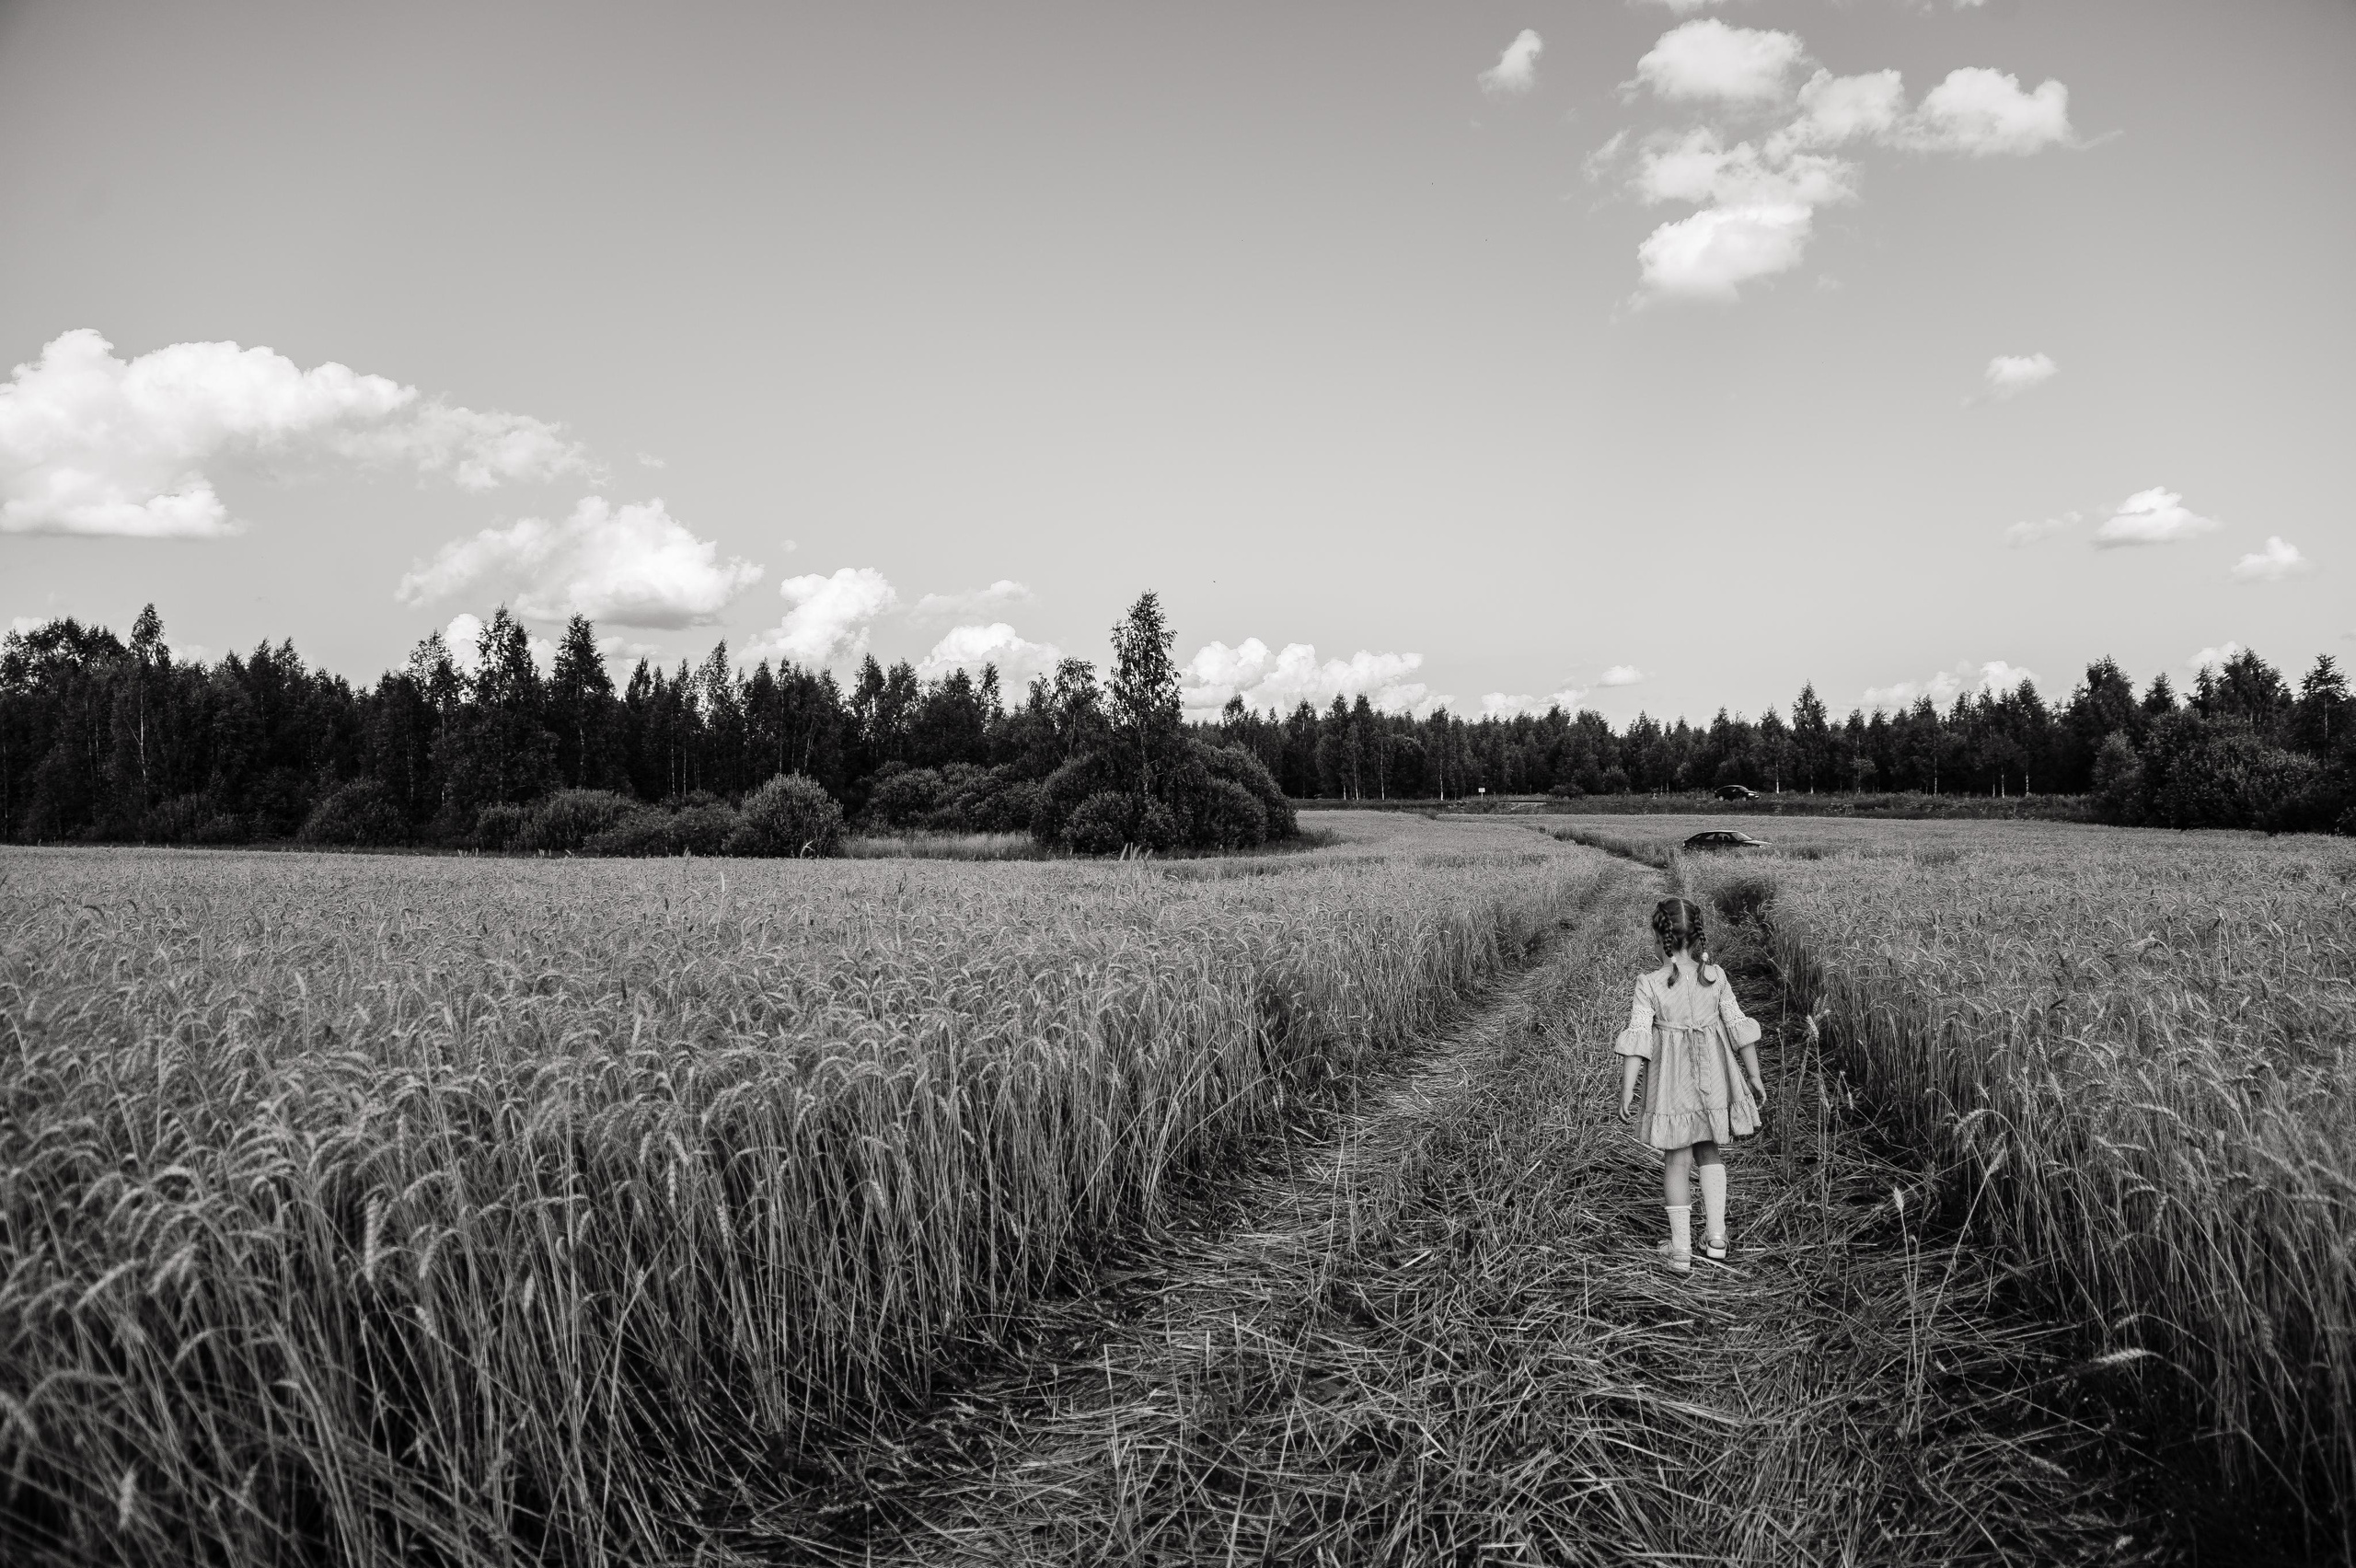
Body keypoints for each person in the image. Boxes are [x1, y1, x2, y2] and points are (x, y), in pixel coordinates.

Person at [1615, 896, 1768, 1272]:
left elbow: (1638, 1040)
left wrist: (1628, 1089)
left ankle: (1681, 1250)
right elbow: (1737, 1028)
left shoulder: (1649, 982)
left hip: (1672, 1082)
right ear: (1694, 938)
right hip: (1713, 1076)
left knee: (1676, 1160)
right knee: (1709, 1150)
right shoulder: (1715, 976)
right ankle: (1716, 1239)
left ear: (1659, 938)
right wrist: (1754, 1075)